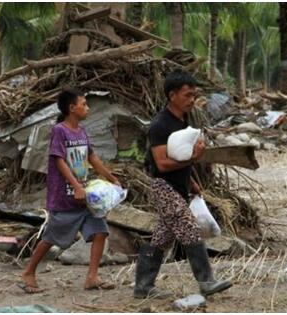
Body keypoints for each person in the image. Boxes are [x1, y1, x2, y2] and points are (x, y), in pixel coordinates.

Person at [134, 70, 232, 299]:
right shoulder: (160, 125)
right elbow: (162, 164)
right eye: (187, 95)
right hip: (163, 187)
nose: (191, 100)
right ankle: (206, 281)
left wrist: (192, 181)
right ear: (172, 95)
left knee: (161, 238)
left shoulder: (183, 121)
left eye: (193, 95)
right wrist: (194, 159)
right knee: (188, 226)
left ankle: (143, 286)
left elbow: (180, 158)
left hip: (180, 187)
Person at [20, 88, 120, 294]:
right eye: (84, 104)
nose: (87, 108)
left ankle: (92, 277)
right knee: (52, 237)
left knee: (100, 232)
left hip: (85, 197)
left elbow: (92, 158)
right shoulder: (60, 130)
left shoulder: (82, 131)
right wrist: (75, 186)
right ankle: (29, 271)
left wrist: (111, 178)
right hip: (65, 196)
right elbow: (59, 160)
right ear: (71, 108)